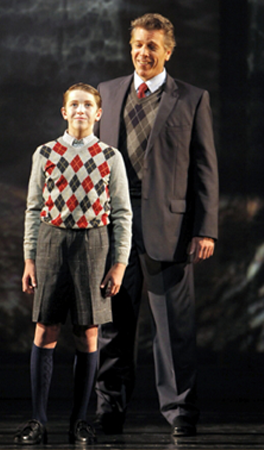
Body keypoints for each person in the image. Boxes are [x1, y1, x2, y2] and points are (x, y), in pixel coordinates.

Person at [95, 13, 219, 437]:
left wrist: (206, 229)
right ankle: (108, 408)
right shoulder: (107, 93)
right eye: (138, 44)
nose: (143, 52)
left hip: (170, 228)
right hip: (114, 229)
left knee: (173, 331)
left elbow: (205, 169)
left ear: (168, 51)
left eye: (152, 46)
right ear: (130, 46)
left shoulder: (191, 98)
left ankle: (180, 412)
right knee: (112, 327)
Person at [14, 83, 132, 446]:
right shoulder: (46, 153)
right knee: (45, 329)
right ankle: (38, 420)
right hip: (52, 241)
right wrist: (29, 258)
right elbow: (34, 208)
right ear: (64, 112)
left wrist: (119, 264)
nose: (81, 110)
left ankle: (80, 420)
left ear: (99, 113)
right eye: (74, 104)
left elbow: (123, 214)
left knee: (88, 332)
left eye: (88, 105)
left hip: (93, 244)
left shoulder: (110, 156)